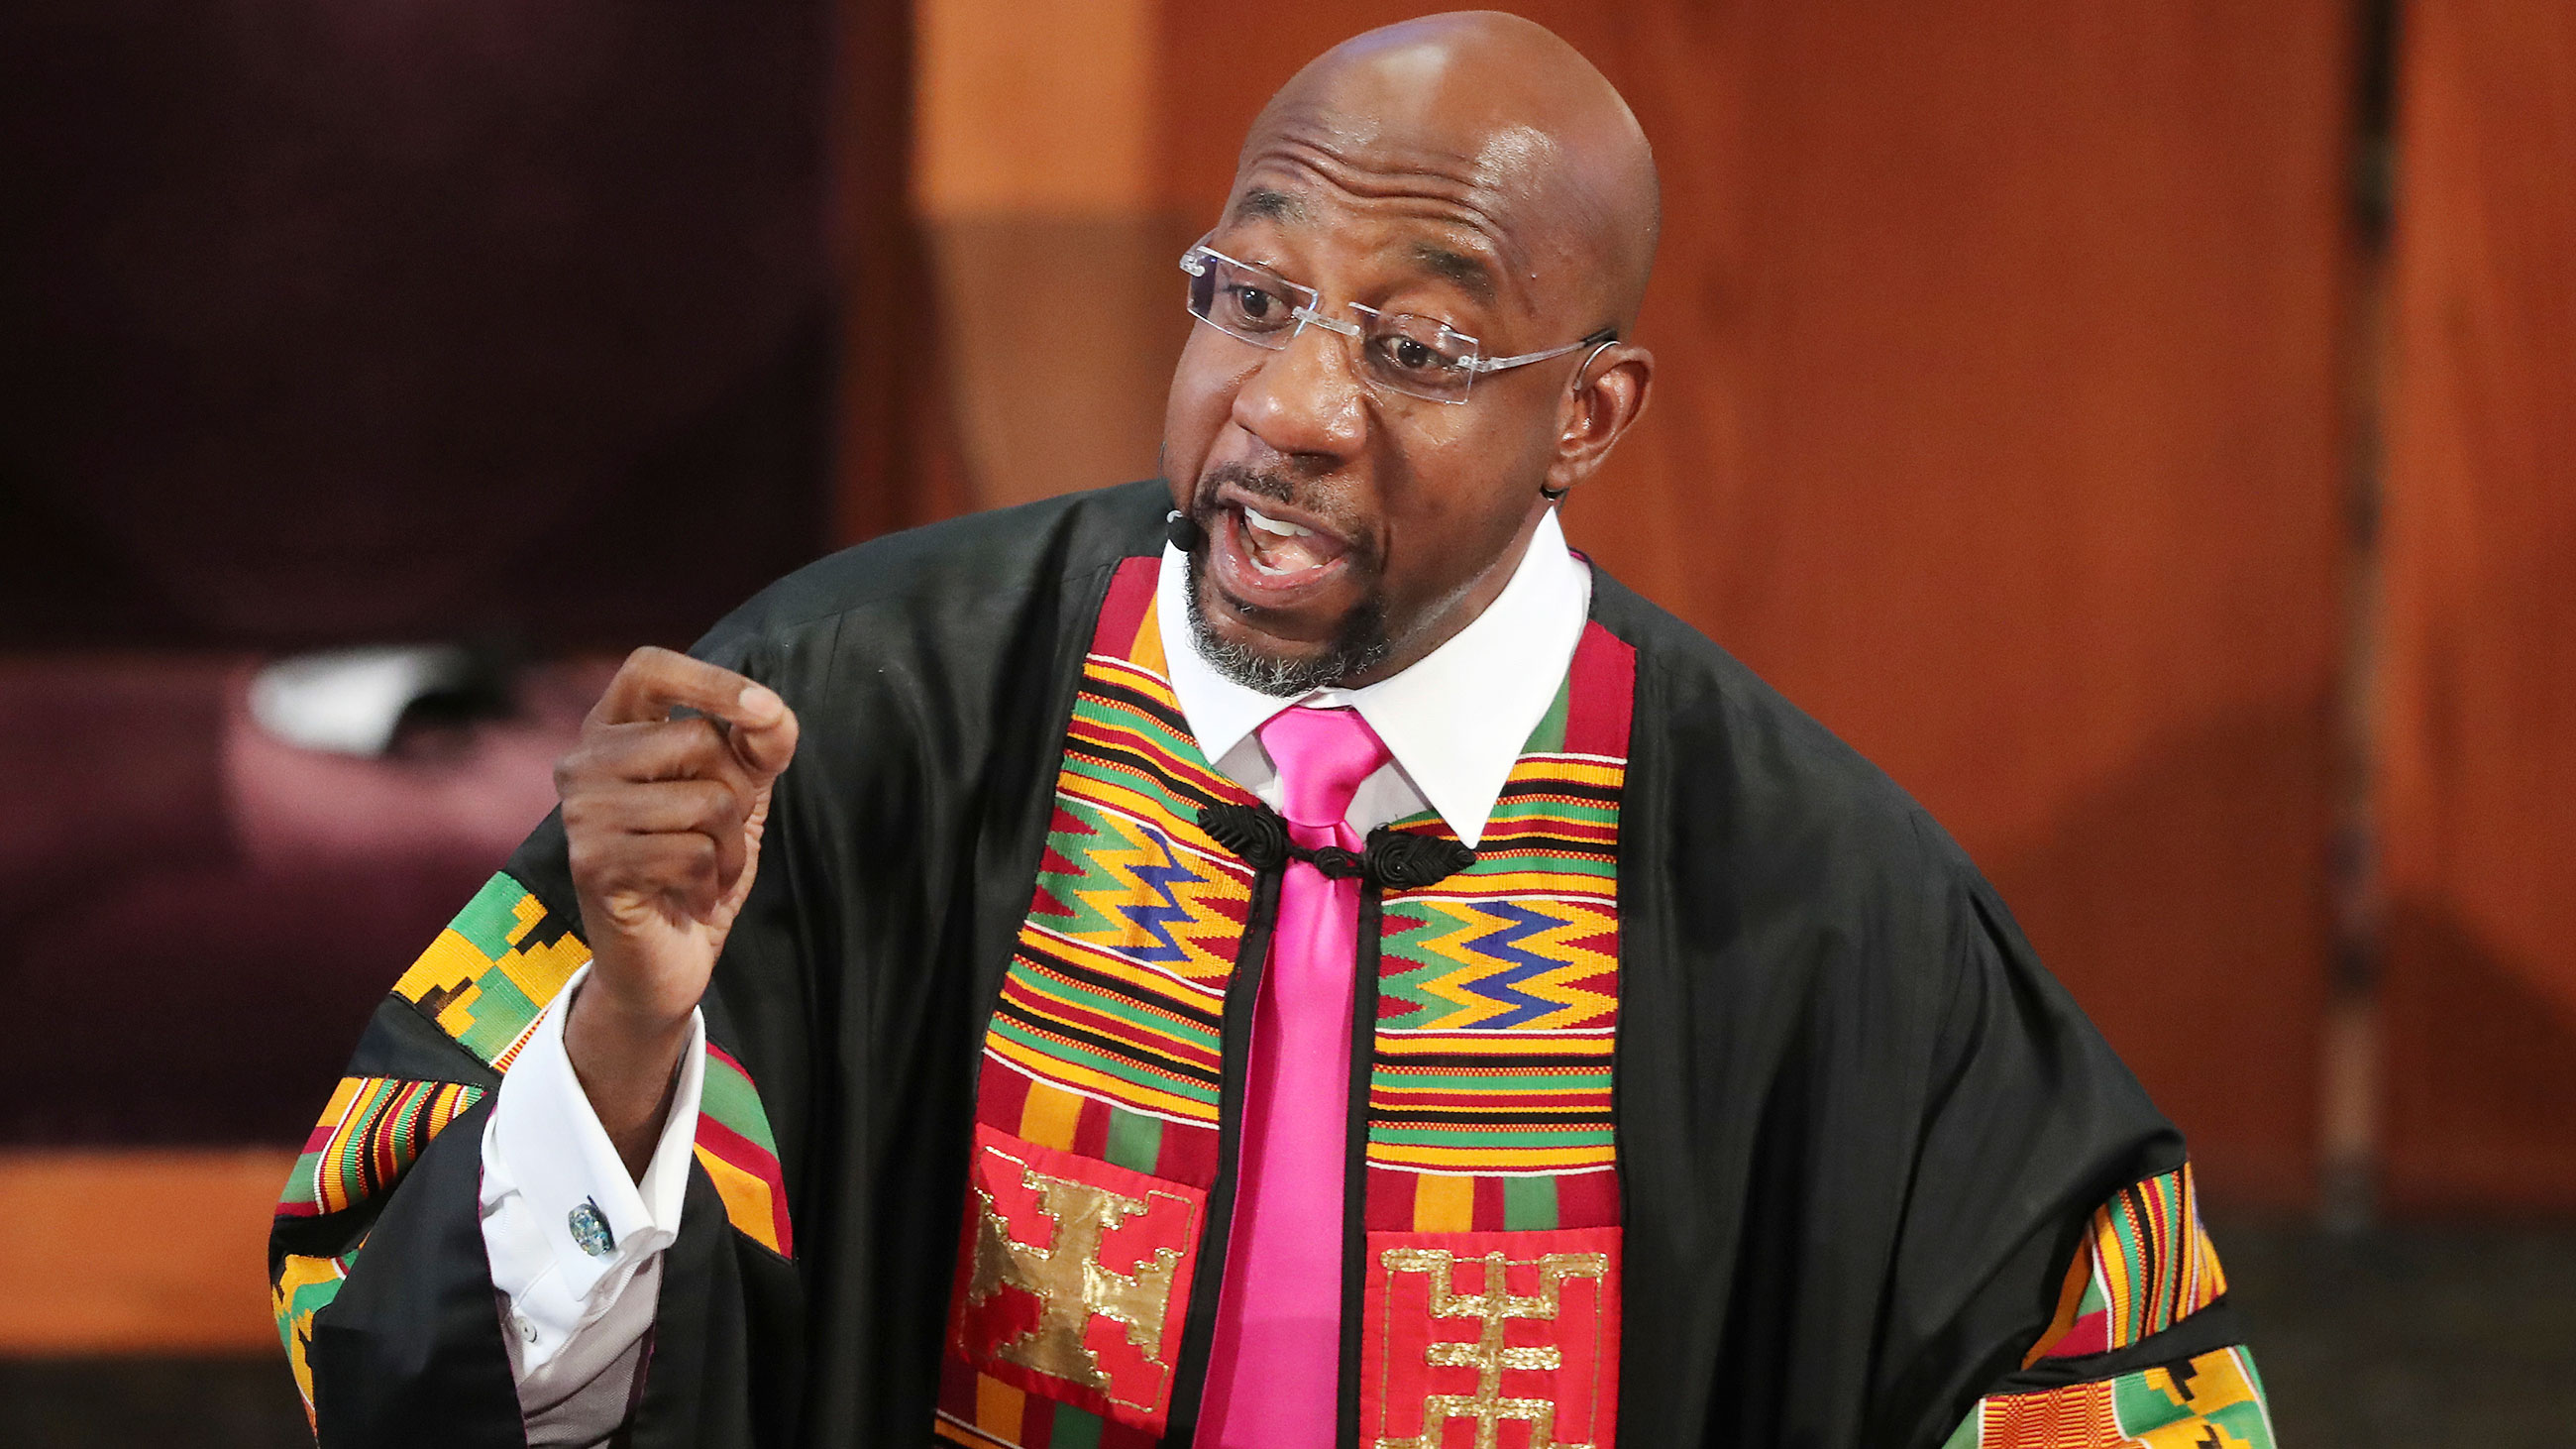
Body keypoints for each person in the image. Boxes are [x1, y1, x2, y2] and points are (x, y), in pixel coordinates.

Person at [268, 13, 2271, 1448]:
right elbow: (403, 1332)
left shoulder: (1826, 907)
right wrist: (626, 1035)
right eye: (1248, 294)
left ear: (1588, 415)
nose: (1289, 406)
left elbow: (2097, 1367)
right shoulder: (845, 721)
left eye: (1413, 344)